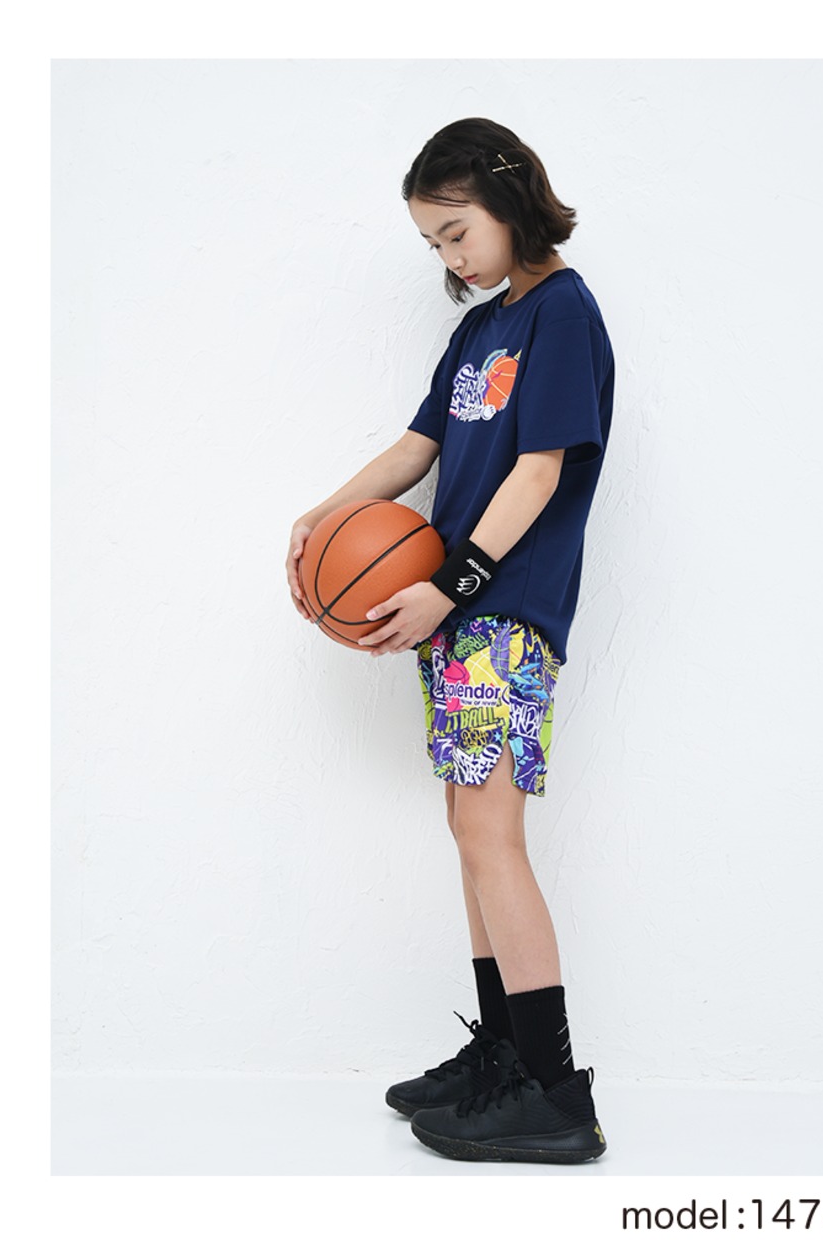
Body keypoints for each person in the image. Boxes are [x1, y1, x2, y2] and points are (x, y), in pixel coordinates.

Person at [285, 117, 614, 1164]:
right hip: (460, 622)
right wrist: (324, 513)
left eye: (457, 231)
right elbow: (419, 445)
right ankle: (503, 1058)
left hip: (500, 616)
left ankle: (554, 1092)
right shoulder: (481, 331)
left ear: (511, 203)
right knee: (470, 831)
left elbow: (540, 472)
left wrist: (449, 584)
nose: (449, 256)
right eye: (432, 242)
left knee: (490, 836)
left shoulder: (561, 313)